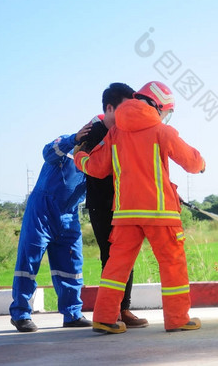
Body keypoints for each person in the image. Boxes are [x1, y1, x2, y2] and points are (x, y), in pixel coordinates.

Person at [74, 81, 205, 334]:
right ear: (158, 106)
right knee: (172, 265)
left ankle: (103, 318)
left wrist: (80, 157)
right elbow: (191, 162)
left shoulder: (115, 133)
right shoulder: (162, 131)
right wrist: (202, 165)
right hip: (161, 214)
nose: (165, 117)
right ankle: (177, 318)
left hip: (125, 215)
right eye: (166, 112)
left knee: (116, 267)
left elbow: (98, 168)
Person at [10, 123, 93, 332]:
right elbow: (47, 152)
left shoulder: (95, 161)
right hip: (41, 213)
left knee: (72, 265)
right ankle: (20, 314)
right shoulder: (66, 146)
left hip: (69, 215)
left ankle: (72, 314)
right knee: (29, 262)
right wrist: (73, 139)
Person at [80, 82, 148, 328]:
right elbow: (85, 162)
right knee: (111, 258)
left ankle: (124, 309)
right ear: (109, 108)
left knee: (127, 257)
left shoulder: (127, 132)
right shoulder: (92, 133)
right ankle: (112, 312)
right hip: (102, 205)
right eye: (124, 109)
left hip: (126, 205)